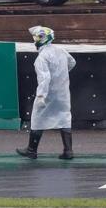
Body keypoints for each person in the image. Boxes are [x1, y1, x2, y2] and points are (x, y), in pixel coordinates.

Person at [16, 26, 76, 160]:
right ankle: (68, 151)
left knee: (37, 118)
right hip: (63, 92)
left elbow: (45, 78)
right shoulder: (61, 50)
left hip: (48, 93)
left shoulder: (42, 57)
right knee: (64, 117)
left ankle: (32, 150)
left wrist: (41, 95)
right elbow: (72, 62)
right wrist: (62, 75)